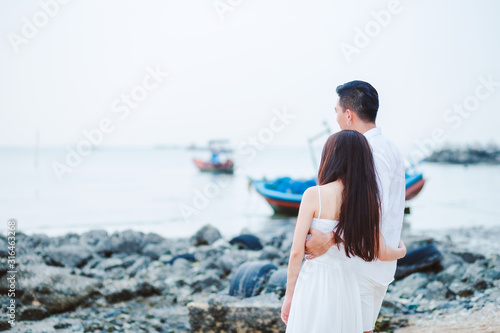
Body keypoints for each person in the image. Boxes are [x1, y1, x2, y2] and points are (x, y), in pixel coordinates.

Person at [304, 80, 407, 333]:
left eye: (337, 111)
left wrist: (331, 237)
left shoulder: (371, 152)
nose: (337, 118)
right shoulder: (389, 147)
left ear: (348, 115)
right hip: (378, 263)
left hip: (362, 263)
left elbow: (372, 211)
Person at [281, 130, 406, 332]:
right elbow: (377, 248)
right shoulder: (365, 202)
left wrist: (289, 297)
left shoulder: (314, 195)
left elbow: (296, 252)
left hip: (315, 279)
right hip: (347, 281)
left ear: (332, 156)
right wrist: (402, 251)